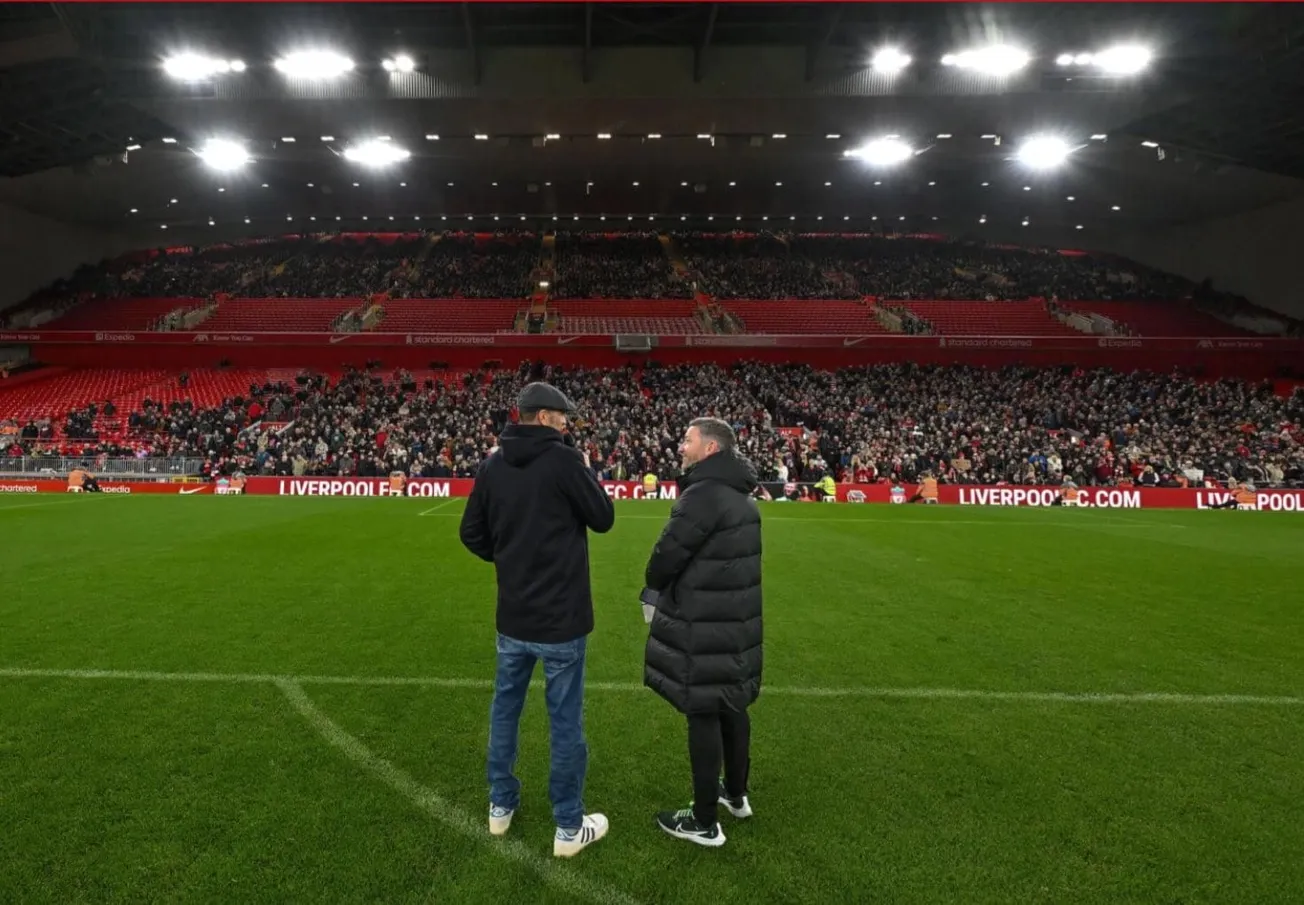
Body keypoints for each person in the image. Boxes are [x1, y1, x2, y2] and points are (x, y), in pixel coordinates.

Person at [458, 381, 616, 858]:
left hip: (514, 616)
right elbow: (603, 517)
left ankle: (500, 807)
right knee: (564, 721)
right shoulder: (566, 461)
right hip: (562, 618)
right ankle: (568, 827)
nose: (567, 425)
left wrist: (508, 561)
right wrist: (588, 471)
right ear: (545, 417)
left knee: (505, 710)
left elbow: (471, 533)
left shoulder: (492, 463)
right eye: (563, 418)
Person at [642, 417, 763, 848]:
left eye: (688, 440)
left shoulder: (703, 494)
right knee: (732, 703)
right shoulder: (741, 496)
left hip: (704, 618)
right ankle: (736, 794)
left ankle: (704, 820)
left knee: (703, 708)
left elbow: (667, 552)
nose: (681, 446)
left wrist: (651, 585)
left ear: (710, 449)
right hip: (737, 618)